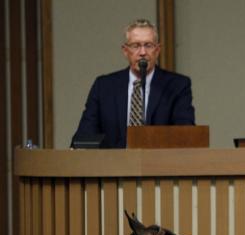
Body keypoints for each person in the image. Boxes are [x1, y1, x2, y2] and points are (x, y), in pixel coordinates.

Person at [71, 19, 195, 148]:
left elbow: (185, 135)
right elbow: (84, 137)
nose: (142, 52)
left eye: (148, 45)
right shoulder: (104, 87)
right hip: (113, 165)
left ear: (157, 50)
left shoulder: (177, 86)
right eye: (136, 46)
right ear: (125, 51)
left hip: (158, 165)